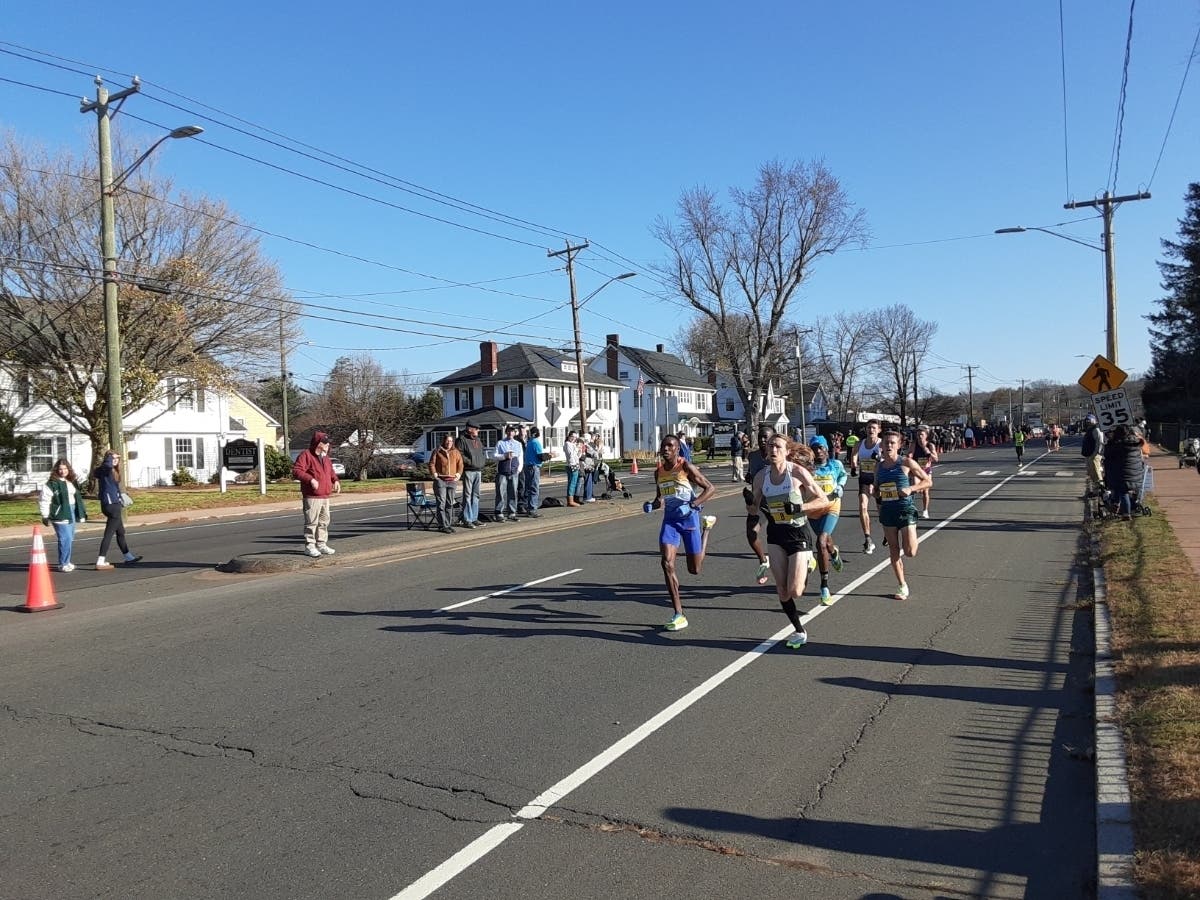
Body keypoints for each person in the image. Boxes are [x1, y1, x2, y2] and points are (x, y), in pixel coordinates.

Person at [753, 436, 831, 648]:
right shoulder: (761, 477)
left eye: (777, 446)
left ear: (787, 451)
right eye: (770, 446)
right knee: (782, 590)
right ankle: (799, 630)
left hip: (798, 533)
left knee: (796, 590)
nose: (773, 450)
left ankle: (808, 562)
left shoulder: (796, 472)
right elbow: (755, 508)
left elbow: (823, 499)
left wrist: (798, 508)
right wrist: (751, 507)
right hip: (776, 534)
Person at [648, 434, 717, 631]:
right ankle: (679, 613)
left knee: (694, 569)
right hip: (670, 521)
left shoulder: (685, 467)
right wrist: (651, 505)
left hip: (689, 520)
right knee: (666, 563)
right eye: (664, 446)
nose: (666, 449)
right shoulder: (658, 472)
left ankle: (707, 529)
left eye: (670, 446)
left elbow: (710, 488)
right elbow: (660, 498)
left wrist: (692, 505)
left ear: (678, 449)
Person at [875, 429, 932, 600]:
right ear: (882, 446)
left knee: (910, 552)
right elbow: (877, 490)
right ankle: (902, 585)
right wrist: (875, 492)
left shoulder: (906, 463)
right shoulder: (879, 466)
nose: (889, 445)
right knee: (893, 550)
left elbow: (928, 481)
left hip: (905, 509)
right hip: (888, 511)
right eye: (886, 443)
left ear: (899, 445)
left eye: (893, 442)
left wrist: (911, 488)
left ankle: (912, 533)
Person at [806, 435, 848, 604]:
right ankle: (834, 552)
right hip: (813, 510)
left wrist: (840, 486)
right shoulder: (808, 469)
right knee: (826, 543)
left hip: (831, 507)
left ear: (826, 449)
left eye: (821, 448)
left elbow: (843, 476)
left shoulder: (835, 465)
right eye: (815, 448)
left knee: (821, 541)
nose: (818, 451)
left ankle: (824, 586)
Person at [292, 431, 341, 557]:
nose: (327, 445)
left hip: (325, 495)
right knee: (311, 522)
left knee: (324, 521)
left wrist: (335, 480)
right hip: (312, 496)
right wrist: (311, 479)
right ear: (318, 444)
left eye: (327, 443)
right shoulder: (306, 455)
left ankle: (321, 544)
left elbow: (330, 471)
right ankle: (310, 546)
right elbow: (297, 471)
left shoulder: (326, 458)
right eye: (325, 443)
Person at [92, 449, 142, 570]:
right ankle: (100, 560)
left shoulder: (112, 471)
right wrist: (110, 456)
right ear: (107, 459)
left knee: (120, 532)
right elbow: (105, 467)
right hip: (111, 506)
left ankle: (128, 556)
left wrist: (122, 497)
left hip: (113, 504)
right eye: (113, 458)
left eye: (117, 459)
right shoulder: (106, 470)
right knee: (108, 534)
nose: (115, 460)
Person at [38, 458, 87, 572]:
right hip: (60, 513)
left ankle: (67, 561)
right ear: (56, 470)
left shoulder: (71, 482)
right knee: (65, 538)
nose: (63, 471)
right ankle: (63, 563)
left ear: (68, 469)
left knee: (70, 538)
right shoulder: (51, 484)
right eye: (60, 469)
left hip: (71, 510)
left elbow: (77, 498)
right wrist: (45, 515)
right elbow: (44, 500)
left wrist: (80, 513)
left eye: (65, 468)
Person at [743, 425, 776, 585]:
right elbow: (752, 472)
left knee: (781, 541)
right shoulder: (753, 456)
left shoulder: (778, 455)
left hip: (779, 504)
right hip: (760, 504)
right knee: (751, 532)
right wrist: (749, 476)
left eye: (766, 437)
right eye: (760, 437)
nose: (763, 440)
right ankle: (763, 561)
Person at [1102, 423, 1145, 520]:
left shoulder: (1117, 445)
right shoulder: (1136, 443)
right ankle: (1116, 504)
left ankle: (1126, 513)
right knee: (1120, 488)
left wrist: (1110, 441)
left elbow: (1108, 454)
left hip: (1123, 474)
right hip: (1135, 475)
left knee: (1123, 491)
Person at [855, 420, 883, 554]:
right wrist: (854, 465)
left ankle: (887, 532)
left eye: (873, 428)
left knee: (881, 510)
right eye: (868, 428)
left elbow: (888, 458)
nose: (870, 430)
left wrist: (878, 458)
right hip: (864, 479)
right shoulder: (860, 443)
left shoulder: (882, 444)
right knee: (862, 506)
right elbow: (854, 454)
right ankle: (868, 539)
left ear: (878, 430)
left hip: (879, 480)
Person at [455, 422, 488, 528]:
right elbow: (459, 454)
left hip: (478, 470)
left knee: (476, 495)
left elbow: (482, 451)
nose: (478, 430)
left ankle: (474, 518)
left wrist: (482, 461)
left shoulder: (477, 440)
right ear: (470, 429)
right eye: (476, 428)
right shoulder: (462, 440)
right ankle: (467, 519)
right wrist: (470, 462)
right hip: (468, 471)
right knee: (467, 495)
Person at [430, 433, 463, 533]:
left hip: (452, 481)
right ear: (444, 441)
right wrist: (435, 474)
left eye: (451, 441)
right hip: (441, 481)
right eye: (447, 441)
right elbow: (432, 463)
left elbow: (460, 464)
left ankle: (448, 524)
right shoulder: (437, 451)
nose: (449, 443)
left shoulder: (456, 452)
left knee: (449, 504)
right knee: (441, 504)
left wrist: (458, 474)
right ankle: (442, 525)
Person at [493, 424, 523, 522]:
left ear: (515, 433)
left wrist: (518, 470)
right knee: (501, 493)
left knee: (513, 493)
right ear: (506, 432)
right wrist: (504, 456)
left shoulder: (518, 444)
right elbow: (494, 456)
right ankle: (499, 512)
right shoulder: (500, 443)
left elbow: (520, 458)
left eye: (512, 431)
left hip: (514, 472)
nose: (510, 433)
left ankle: (512, 512)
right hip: (502, 472)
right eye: (509, 431)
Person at [909, 426, 939, 519]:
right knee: (915, 488)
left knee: (926, 491)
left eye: (921, 434)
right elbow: (910, 454)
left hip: (926, 470)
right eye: (918, 435)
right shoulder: (914, 443)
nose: (919, 436)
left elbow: (936, 459)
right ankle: (911, 508)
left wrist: (927, 451)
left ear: (926, 435)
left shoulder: (930, 445)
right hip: (917, 469)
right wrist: (909, 457)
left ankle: (925, 510)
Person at [521, 426, 548, 517]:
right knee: (534, 489)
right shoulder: (536, 442)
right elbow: (540, 456)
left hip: (527, 466)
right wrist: (551, 455)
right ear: (536, 434)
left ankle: (527, 506)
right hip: (534, 466)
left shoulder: (529, 442)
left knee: (528, 488)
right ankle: (532, 509)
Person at [1081, 414, 1105, 496]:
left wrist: (1096, 454)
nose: (1087, 423)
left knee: (1096, 473)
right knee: (1092, 473)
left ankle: (1100, 491)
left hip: (1094, 455)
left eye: (1089, 421)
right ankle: (1096, 491)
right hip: (1089, 455)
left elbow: (1100, 442)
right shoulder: (1090, 430)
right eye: (1087, 421)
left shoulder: (1096, 430)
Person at [563, 431, 582, 507]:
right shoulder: (567, 444)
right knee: (572, 482)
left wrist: (579, 451)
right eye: (572, 437)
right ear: (569, 436)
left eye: (575, 437)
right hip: (571, 465)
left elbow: (577, 456)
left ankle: (572, 499)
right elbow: (571, 455)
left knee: (573, 482)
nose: (574, 439)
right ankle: (570, 500)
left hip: (575, 464)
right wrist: (576, 449)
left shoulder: (572, 444)